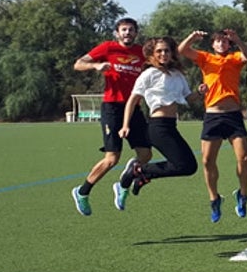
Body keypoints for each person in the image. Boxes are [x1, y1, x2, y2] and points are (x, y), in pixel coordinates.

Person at [70, 17, 150, 217]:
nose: (127, 33)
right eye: (124, 30)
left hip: (133, 108)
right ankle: (82, 192)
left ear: (136, 33)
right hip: (112, 108)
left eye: (131, 30)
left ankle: (123, 183)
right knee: (112, 158)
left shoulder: (142, 52)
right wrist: (95, 66)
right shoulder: (107, 48)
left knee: (146, 155)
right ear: (117, 33)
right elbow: (78, 64)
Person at [178, 28, 247, 222]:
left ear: (229, 45)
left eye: (225, 41)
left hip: (233, 115)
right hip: (213, 116)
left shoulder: (235, 58)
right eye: (218, 41)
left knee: (244, 157)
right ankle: (214, 199)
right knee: (207, 161)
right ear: (213, 45)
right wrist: (192, 37)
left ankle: (243, 195)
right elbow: (182, 50)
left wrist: (238, 39)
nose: (221, 44)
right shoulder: (205, 58)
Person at [116, 37, 198, 201]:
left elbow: (188, 98)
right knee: (183, 165)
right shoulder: (149, 74)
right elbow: (132, 100)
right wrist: (125, 125)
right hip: (157, 127)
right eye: (159, 51)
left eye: (166, 50)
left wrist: (201, 93)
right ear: (152, 54)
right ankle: (139, 171)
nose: (163, 54)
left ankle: (143, 175)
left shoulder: (177, 75)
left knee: (189, 166)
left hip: (171, 126)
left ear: (172, 53)